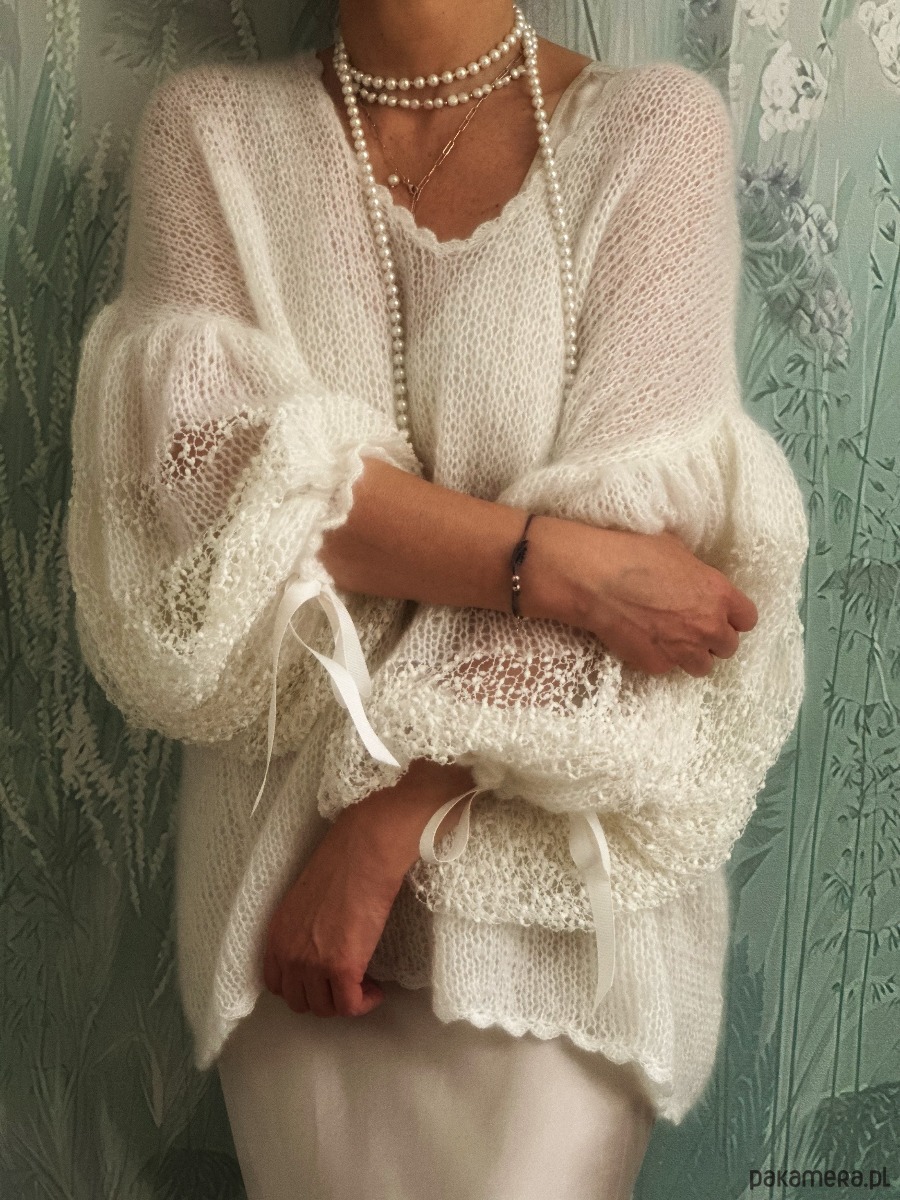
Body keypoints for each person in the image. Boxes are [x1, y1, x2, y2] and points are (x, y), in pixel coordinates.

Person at [66, 1, 809, 1197]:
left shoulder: (652, 132)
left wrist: (383, 827)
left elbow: (651, 571)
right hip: (292, 917)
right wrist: (551, 564)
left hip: (546, 901)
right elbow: (206, 484)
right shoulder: (210, 133)